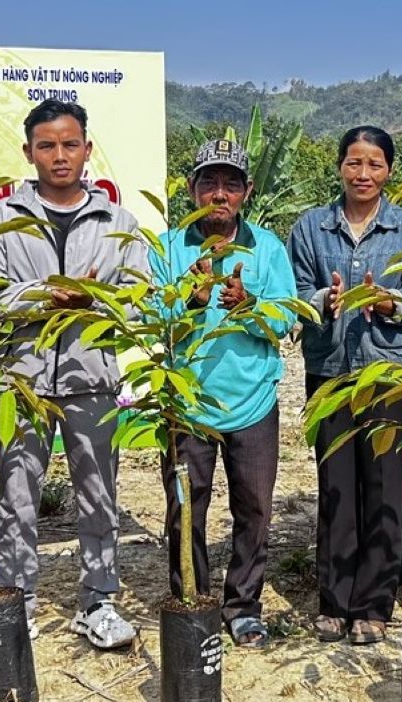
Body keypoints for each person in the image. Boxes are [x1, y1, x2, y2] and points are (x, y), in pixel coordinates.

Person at [0, 99, 148, 650]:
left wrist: (91, 301)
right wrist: (46, 297)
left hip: (91, 378)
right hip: (21, 381)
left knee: (99, 495)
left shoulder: (117, 223)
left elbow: (139, 302)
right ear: (29, 153)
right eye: (46, 146)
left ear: (87, 150)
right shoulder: (2, 218)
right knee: (16, 495)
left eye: (70, 144)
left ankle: (98, 599)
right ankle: (18, 597)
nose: (59, 156)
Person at [151, 139, 297, 649]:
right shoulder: (168, 249)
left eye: (230, 184)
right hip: (187, 403)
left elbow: (286, 316)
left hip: (253, 401)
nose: (219, 194)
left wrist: (249, 306)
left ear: (246, 192)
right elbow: (152, 318)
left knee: (254, 506)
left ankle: (243, 604)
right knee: (184, 505)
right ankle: (192, 599)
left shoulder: (268, 249)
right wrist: (189, 303)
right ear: (191, 189)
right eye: (208, 183)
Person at [290, 126, 402, 645]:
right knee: (336, 488)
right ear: (340, 166)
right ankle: (334, 600)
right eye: (354, 162)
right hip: (330, 372)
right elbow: (296, 293)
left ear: (388, 170)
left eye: (374, 164)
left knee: (383, 487)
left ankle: (374, 604)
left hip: (390, 375)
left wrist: (389, 302)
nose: (363, 174)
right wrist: (324, 302)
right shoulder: (310, 227)